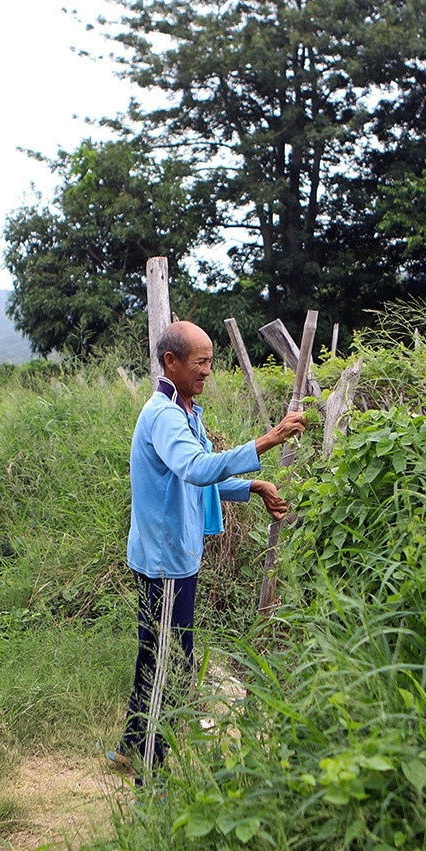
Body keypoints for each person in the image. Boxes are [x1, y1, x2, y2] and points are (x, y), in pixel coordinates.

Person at [109, 320, 306, 778]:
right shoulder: (164, 416)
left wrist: (252, 486)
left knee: (155, 656)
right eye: (200, 362)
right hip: (165, 563)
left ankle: (128, 748)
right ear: (171, 362)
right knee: (172, 664)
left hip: (171, 557)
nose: (207, 371)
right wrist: (269, 439)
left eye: (210, 362)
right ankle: (152, 775)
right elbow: (197, 469)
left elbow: (199, 479)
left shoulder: (184, 412)